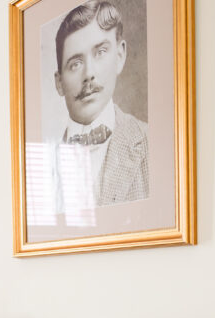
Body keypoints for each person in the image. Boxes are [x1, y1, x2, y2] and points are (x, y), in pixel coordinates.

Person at [53, 0, 148, 207]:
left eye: (100, 52)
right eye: (75, 63)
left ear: (120, 56)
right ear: (59, 82)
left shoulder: (151, 142)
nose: (89, 74)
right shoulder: (42, 169)